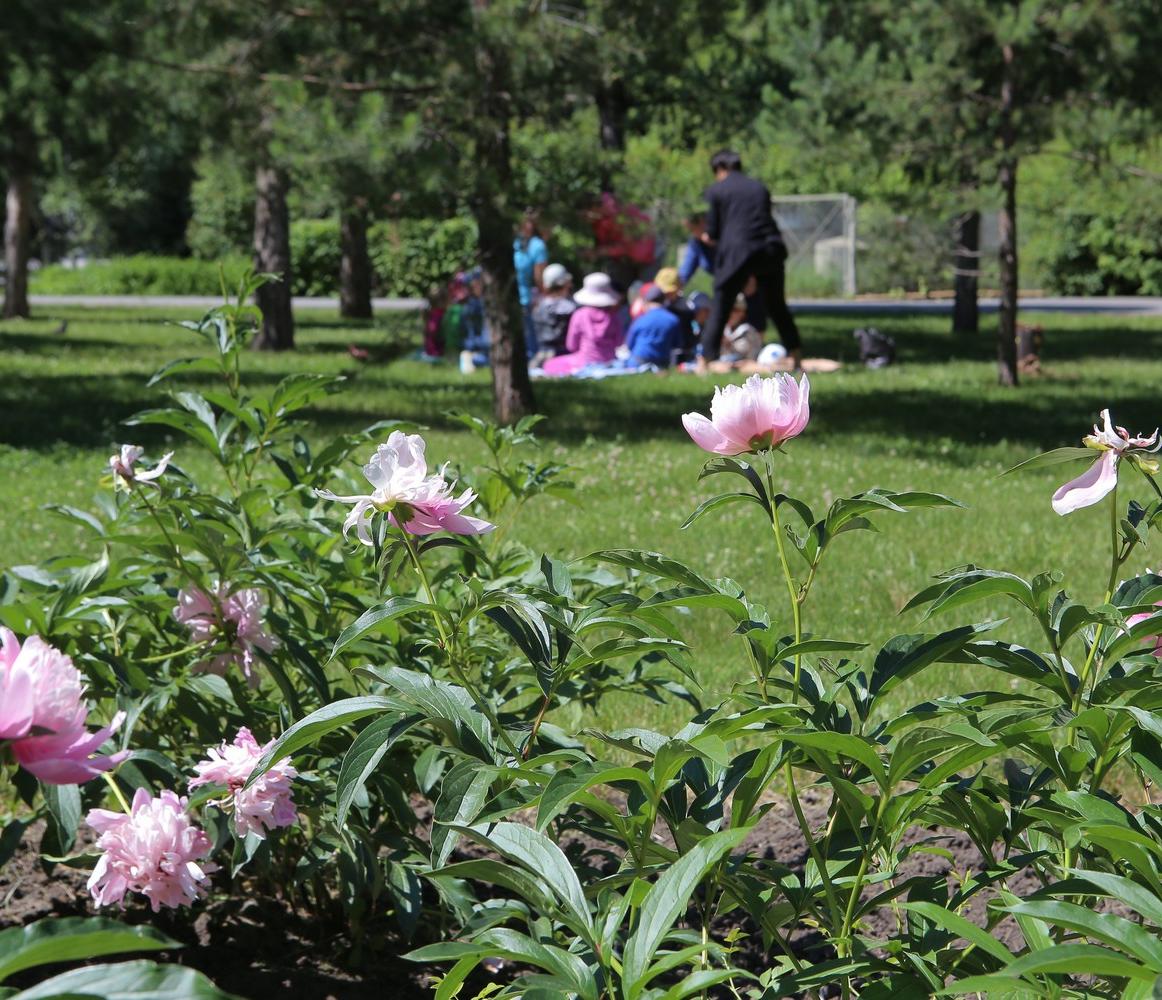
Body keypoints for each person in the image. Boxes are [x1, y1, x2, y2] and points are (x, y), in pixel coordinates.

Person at [699, 150, 802, 368]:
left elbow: (714, 231)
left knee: (721, 304)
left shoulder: (718, 190)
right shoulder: (759, 188)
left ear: (719, 169)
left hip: (737, 251)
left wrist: (705, 235)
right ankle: (796, 356)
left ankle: (705, 361)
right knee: (777, 306)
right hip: (769, 248)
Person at [542, 272, 624, 377]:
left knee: (549, 364)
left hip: (585, 361)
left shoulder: (580, 315)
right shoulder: (613, 316)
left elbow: (571, 345)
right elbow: (618, 342)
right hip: (609, 360)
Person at [513, 209, 549, 360]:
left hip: (518, 299)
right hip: (526, 300)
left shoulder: (518, 244)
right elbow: (540, 278)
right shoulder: (537, 245)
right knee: (531, 346)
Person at [530, 263, 577, 367]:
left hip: (542, 355)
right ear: (565, 283)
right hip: (565, 355)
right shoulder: (571, 307)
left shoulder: (539, 306)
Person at [625, 285, 683, 368]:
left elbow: (630, 345)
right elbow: (677, 344)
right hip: (662, 363)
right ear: (664, 300)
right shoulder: (673, 319)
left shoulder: (640, 320)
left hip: (638, 362)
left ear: (647, 302)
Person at [678, 212, 715, 287]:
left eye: (692, 229)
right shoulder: (696, 243)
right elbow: (685, 273)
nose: (692, 234)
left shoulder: (725, 234)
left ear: (702, 222)